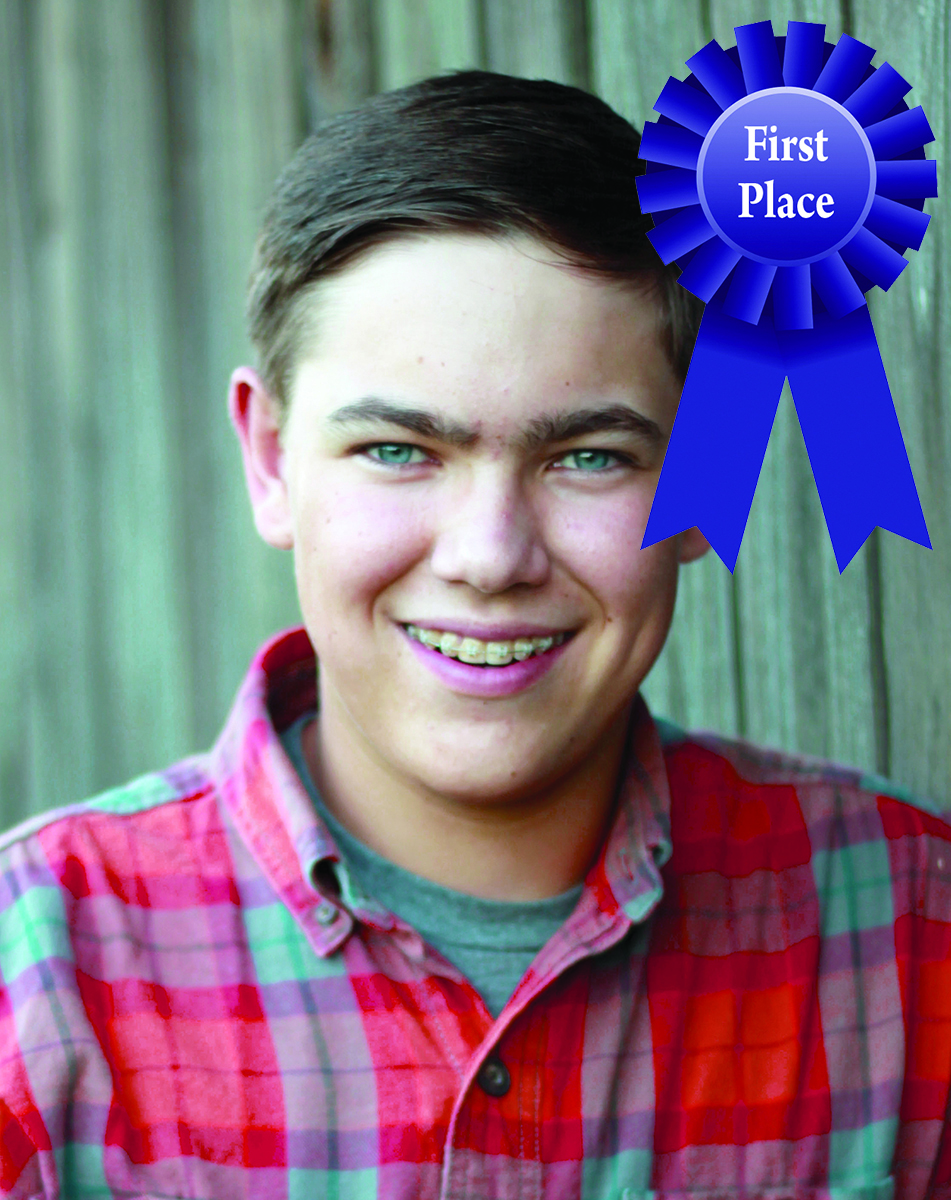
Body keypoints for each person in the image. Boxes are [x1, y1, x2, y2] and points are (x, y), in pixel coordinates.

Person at [0, 69, 948, 1200]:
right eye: (398, 451)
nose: (490, 556)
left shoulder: (908, 933)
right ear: (270, 459)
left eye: (587, 456)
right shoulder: (38, 978)